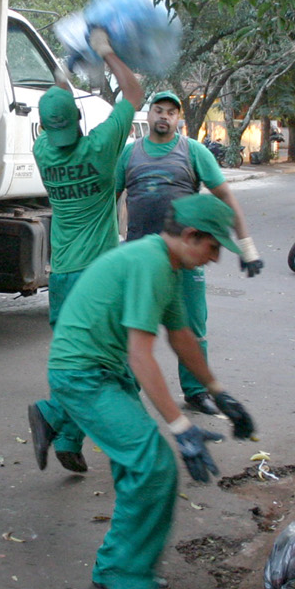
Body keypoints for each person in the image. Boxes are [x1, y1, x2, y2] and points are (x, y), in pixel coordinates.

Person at [41, 193, 256, 589]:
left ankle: (116, 566)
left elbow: (181, 337)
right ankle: (124, 571)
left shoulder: (167, 264)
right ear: (191, 236)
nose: (215, 259)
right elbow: (143, 356)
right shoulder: (152, 263)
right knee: (154, 464)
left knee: (137, 467)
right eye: (213, 247)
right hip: (82, 373)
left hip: (103, 368)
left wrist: (219, 392)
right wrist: (181, 428)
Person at [27, 25, 145, 474]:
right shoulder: (99, 148)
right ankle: (60, 419)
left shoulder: (43, 152)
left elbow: (56, 110)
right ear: (78, 122)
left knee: (73, 360)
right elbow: (134, 93)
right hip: (96, 277)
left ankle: (69, 441)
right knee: (112, 365)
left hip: (60, 276)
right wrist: (106, 52)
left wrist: (65, 72)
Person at [116, 91, 263, 416]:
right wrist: (110, 243)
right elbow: (110, 199)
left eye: (171, 112)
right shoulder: (128, 155)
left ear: (178, 118)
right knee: (135, 328)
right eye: (158, 110)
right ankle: (129, 390)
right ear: (149, 115)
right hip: (140, 258)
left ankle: (196, 392)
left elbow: (226, 196)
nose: (164, 117)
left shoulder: (193, 151)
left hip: (185, 258)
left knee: (192, 327)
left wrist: (246, 247)